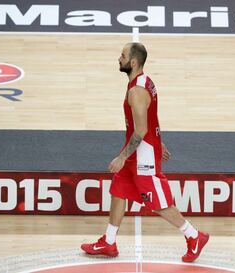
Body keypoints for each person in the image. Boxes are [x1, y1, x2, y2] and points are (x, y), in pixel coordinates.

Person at [81, 42, 209, 262]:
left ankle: (194, 236)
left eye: (122, 56)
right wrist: (159, 141)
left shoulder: (137, 91)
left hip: (143, 155)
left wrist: (123, 156)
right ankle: (109, 242)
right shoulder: (144, 82)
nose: (118, 58)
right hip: (141, 147)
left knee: (158, 203)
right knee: (119, 189)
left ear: (133, 62)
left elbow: (141, 128)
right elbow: (151, 118)